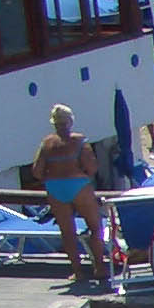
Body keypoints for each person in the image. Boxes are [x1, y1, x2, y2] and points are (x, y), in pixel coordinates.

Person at [31, 106, 110, 288]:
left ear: (54, 123)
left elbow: (36, 171)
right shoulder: (79, 141)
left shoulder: (46, 143)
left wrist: (52, 175)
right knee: (95, 227)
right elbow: (92, 167)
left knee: (67, 232)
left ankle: (77, 271)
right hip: (78, 184)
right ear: (70, 121)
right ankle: (99, 267)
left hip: (55, 186)